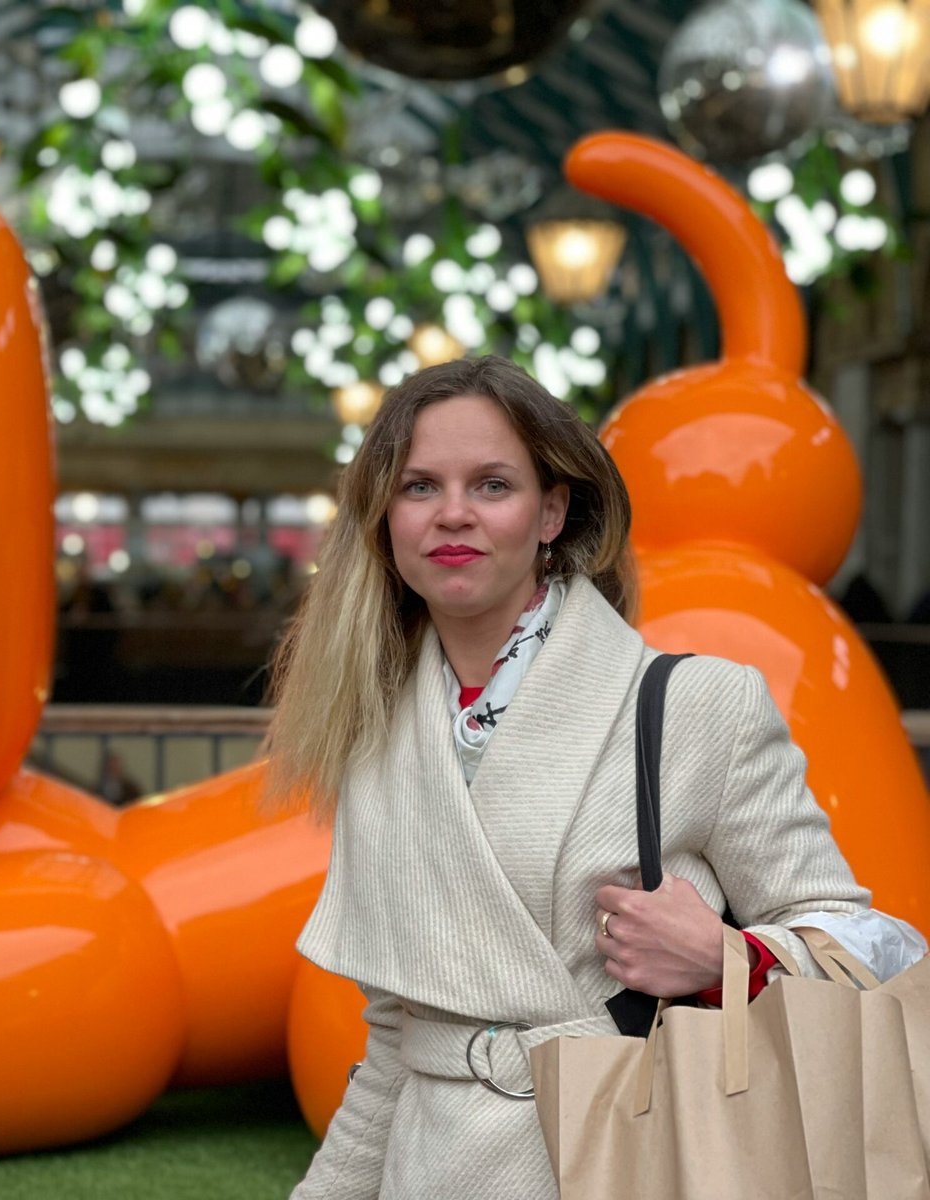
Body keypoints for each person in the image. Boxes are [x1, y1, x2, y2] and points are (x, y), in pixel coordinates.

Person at [265, 357, 923, 1199]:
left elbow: (872, 948)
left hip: (622, 1157)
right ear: (384, 519)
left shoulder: (698, 704)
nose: (453, 514)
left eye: (492, 484)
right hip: (426, 1170)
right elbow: (396, 1040)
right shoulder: (372, 732)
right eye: (420, 486)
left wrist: (725, 956)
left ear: (552, 510)